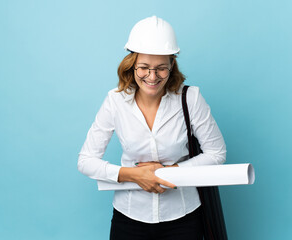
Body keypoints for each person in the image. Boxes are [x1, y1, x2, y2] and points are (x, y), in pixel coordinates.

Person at [78, 16, 226, 240]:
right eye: (144, 68)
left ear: (172, 65)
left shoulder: (190, 98)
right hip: (129, 217)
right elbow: (86, 161)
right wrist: (134, 175)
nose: (152, 77)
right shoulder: (115, 101)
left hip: (183, 217)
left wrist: (170, 172)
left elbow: (217, 153)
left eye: (161, 69)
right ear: (132, 64)